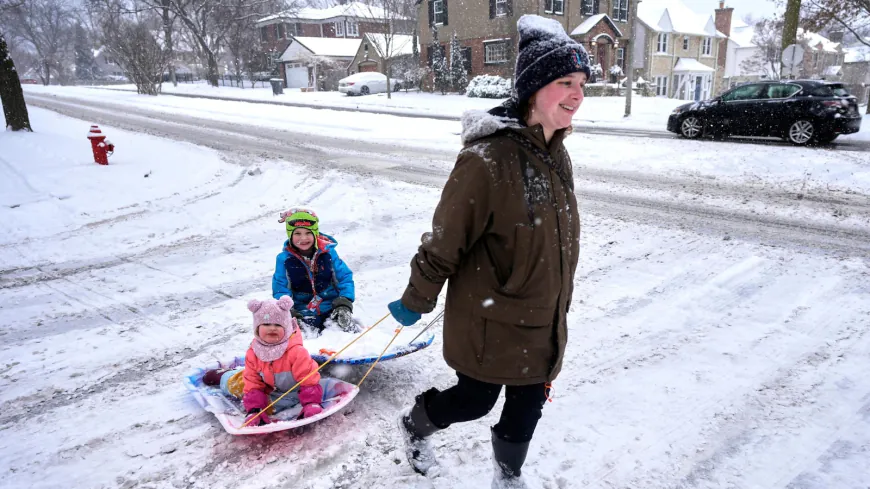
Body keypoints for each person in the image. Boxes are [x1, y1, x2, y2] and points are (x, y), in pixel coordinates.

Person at [388, 15, 589, 489]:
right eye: (565, 82)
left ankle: (507, 475)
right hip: (491, 319)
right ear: (533, 88)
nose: (578, 94)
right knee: (474, 401)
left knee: (528, 407)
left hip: (544, 318)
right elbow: (446, 239)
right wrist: (417, 297)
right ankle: (415, 426)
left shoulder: (556, 151)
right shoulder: (487, 159)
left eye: (582, 83)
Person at [203, 296, 324, 424]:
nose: (272, 328)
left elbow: (309, 381)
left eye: (278, 324)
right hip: (265, 388)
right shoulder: (254, 353)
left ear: (287, 327)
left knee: (276, 404)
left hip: (289, 392)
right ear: (257, 328)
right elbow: (253, 384)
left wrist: (311, 403)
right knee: (239, 384)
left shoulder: (297, 352)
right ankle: (223, 375)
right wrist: (255, 410)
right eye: (266, 324)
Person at [272, 207, 356, 333]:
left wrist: (344, 302)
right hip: (302, 311)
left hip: (331, 307)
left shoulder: (328, 253)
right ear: (290, 234)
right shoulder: (284, 259)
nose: (303, 238)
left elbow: (344, 278)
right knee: (302, 335)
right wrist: (288, 311)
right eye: (297, 233)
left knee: (343, 330)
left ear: (315, 233)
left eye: (308, 233)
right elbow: (281, 288)